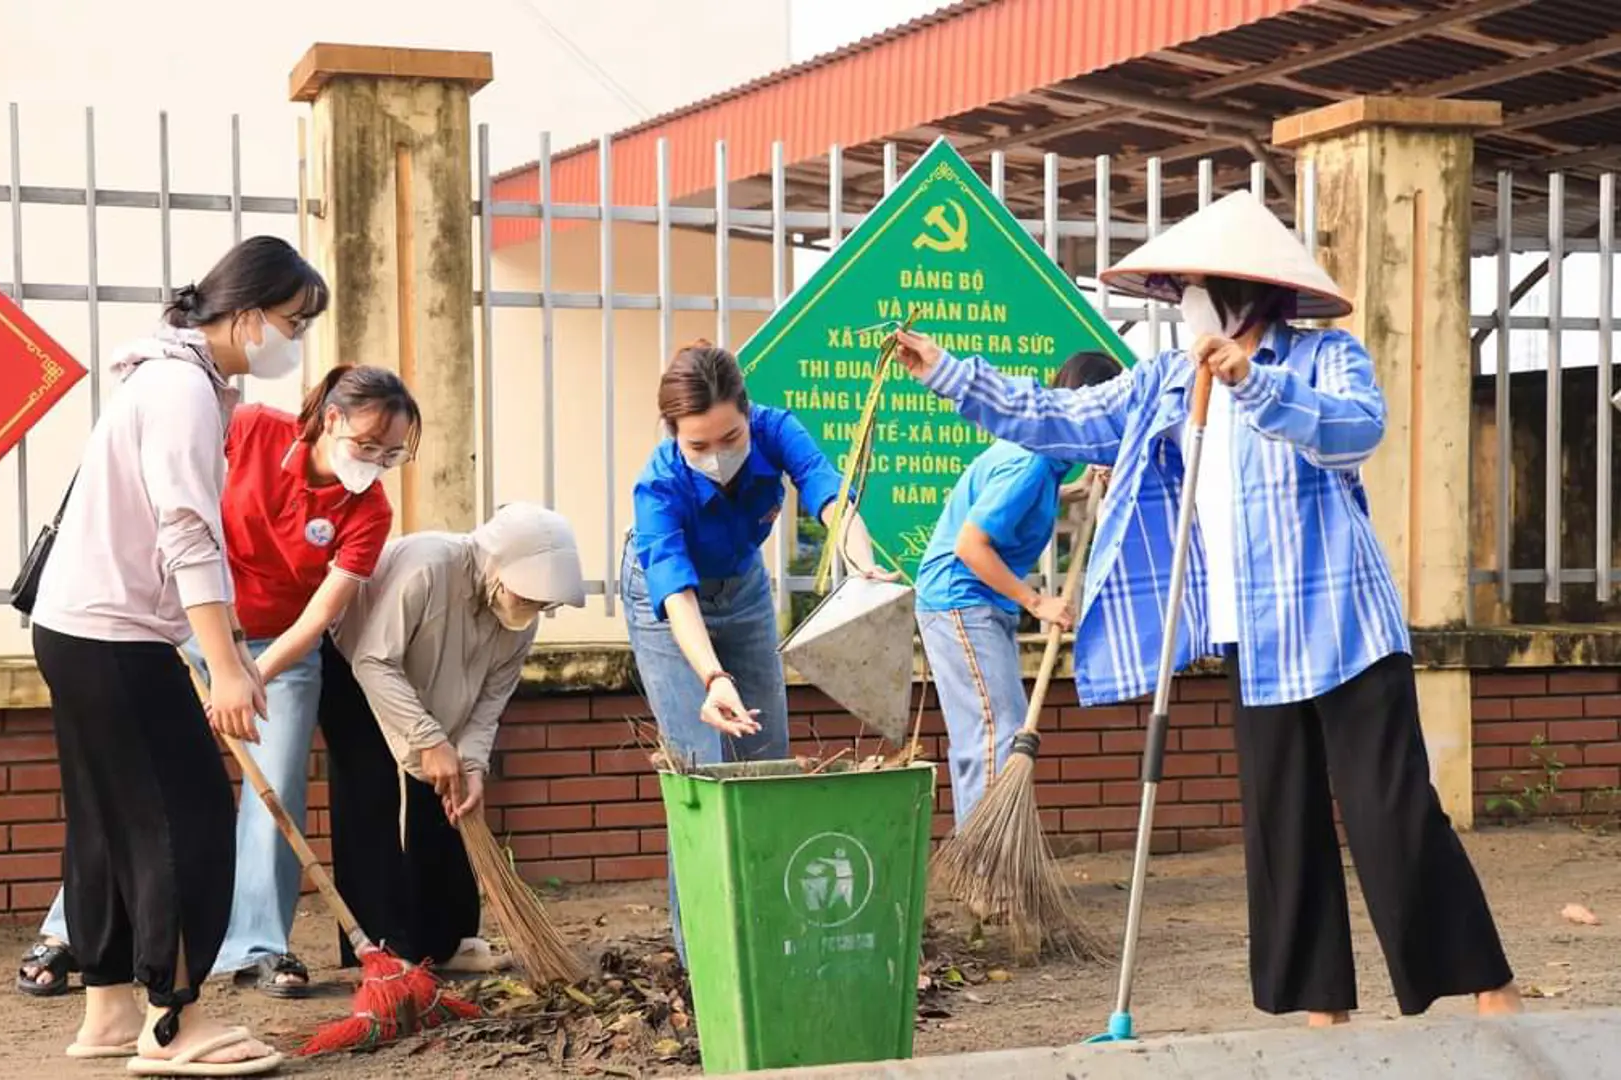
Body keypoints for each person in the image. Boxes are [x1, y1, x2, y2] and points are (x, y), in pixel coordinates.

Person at [891, 190, 1523, 1028]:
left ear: (1240, 291)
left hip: (1343, 628)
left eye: (1194, 285)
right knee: (1280, 825)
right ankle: (1319, 1008)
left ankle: (1487, 987)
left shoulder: (1321, 359)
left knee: (1392, 813)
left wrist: (1254, 384)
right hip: (1253, 641)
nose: (1183, 302)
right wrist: (947, 371)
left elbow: (1354, 431)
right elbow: (1055, 417)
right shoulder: (1160, 382)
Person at [22, 363, 420, 1001]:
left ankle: (257, 946)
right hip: (181, 626)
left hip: (275, 654)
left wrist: (247, 676)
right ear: (331, 419)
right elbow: (171, 491)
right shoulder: (253, 428)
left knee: (277, 790)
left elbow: (322, 612)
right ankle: (72, 931)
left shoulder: (369, 508)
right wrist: (215, 653)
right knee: (135, 787)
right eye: (367, 444)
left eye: (391, 453)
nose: (374, 461)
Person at [28, 235, 327, 1074]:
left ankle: (111, 1010)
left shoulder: (168, 377)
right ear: (243, 312)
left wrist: (222, 637)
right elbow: (187, 529)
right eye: (292, 321)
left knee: (108, 823)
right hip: (114, 634)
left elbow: (185, 540)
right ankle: (173, 1025)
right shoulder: (181, 389)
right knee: (184, 820)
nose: (294, 340)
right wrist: (227, 667)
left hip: (79, 627)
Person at [620, 340, 891, 964]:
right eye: (699, 446)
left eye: (729, 437)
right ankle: (706, 958)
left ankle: (769, 932)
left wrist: (863, 564)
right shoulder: (658, 485)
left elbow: (830, 494)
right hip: (669, 606)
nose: (719, 456)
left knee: (763, 757)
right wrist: (712, 676)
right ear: (674, 436)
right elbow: (675, 593)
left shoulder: (775, 431)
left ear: (746, 413)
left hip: (741, 589)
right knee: (702, 765)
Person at [319, 504, 586, 970]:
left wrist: (473, 763)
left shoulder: (519, 616)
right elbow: (373, 661)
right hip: (357, 666)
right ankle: (382, 947)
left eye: (543, 603)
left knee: (449, 795)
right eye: (530, 596)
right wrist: (428, 740)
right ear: (497, 567)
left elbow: (490, 701)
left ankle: (444, 940)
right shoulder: (430, 567)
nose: (535, 609)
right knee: (370, 794)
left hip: (429, 685)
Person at [915, 350, 1122, 830]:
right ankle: (987, 868)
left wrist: (1081, 485)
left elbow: (1028, 502)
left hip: (977, 605)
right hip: (961, 601)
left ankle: (982, 861)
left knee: (987, 731)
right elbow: (971, 546)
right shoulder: (1030, 462)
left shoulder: (1044, 461)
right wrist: (1037, 602)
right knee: (995, 733)